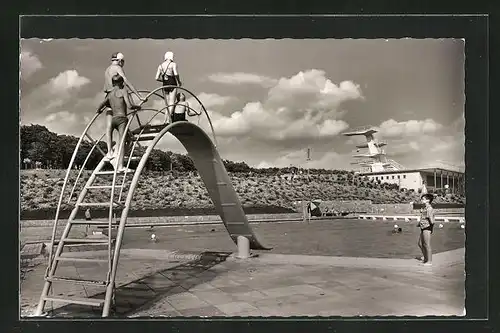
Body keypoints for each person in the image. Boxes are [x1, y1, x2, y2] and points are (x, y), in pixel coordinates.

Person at [96, 74, 141, 172]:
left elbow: (101, 104)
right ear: (122, 83)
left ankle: (116, 156)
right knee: (121, 142)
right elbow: (129, 106)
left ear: (112, 83)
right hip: (122, 119)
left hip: (113, 119)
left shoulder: (110, 94)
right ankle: (120, 166)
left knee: (128, 139)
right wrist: (137, 107)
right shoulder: (123, 91)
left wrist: (98, 111)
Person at [155, 51, 182, 123]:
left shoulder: (160, 66)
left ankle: (165, 119)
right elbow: (176, 74)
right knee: (171, 103)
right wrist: (179, 82)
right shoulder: (173, 64)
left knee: (166, 104)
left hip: (165, 85)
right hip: (173, 84)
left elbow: (156, 78)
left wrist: (164, 80)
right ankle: (168, 120)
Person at [417, 193, 435, 266]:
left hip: (427, 228)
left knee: (427, 244)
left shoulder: (429, 209)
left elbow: (432, 221)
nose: (421, 200)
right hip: (423, 227)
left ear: (428, 200)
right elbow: (424, 217)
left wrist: (429, 227)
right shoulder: (425, 208)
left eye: (423, 199)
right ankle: (425, 259)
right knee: (420, 243)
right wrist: (420, 223)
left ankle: (429, 261)